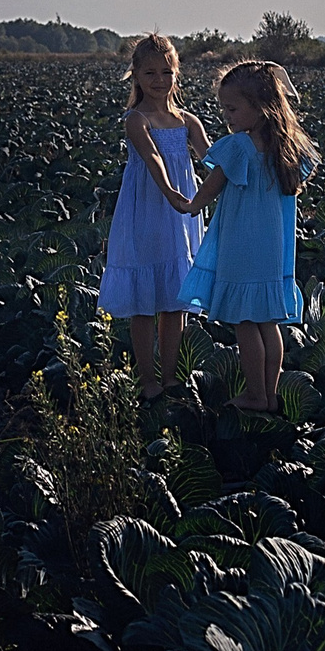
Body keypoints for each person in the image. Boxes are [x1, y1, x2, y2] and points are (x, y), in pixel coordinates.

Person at [158, 59, 316, 413]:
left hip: (241, 246)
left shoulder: (238, 146)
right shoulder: (287, 147)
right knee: (268, 323)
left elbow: (211, 187)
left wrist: (190, 205)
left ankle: (255, 395)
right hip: (274, 249)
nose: (226, 117)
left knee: (244, 322)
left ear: (260, 107)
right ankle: (270, 394)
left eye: (232, 109)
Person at [100, 34, 207, 396]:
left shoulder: (188, 121)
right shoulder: (136, 119)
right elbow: (152, 157)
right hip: (148, 212)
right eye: (150, 73)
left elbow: (213, 160)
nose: (159, 80)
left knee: (175, 302)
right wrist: (170, 192)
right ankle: (147, 380)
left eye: (166, 72)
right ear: (135, 75)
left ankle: (170, 377)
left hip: (182, 215)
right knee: (144, 304)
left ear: (177, 74)